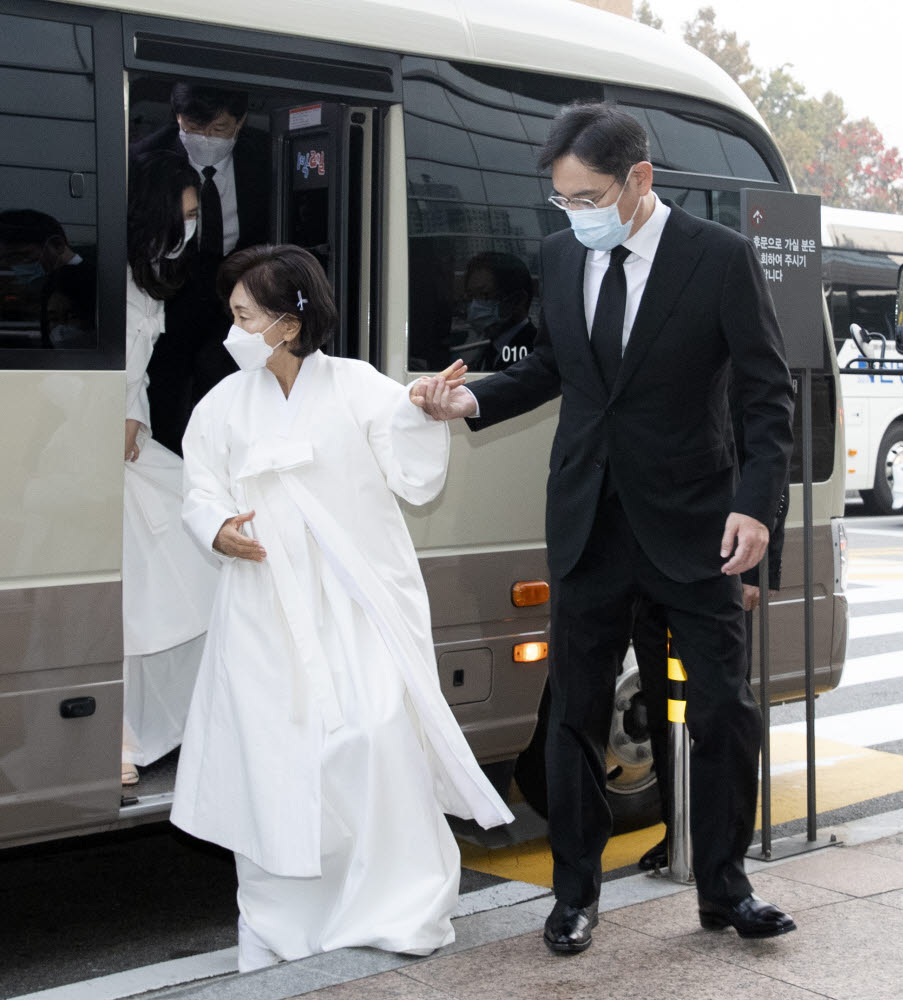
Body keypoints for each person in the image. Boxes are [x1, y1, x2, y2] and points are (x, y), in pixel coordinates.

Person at [412, 102, 796, 950]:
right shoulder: (558, 257)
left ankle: (724, 889)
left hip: (698, 525)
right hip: (588, 519)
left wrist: (756, 507)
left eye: (586, 197)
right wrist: (469, 398)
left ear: (639, 180)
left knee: (723, 712)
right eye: (561, 200)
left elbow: (767, 397)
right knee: (574, 714)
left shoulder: (718, 259)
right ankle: (573, 896)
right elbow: (555, 366)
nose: (573, 214)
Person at [171, 244, 513, 971]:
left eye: (243, 316)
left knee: (374, 738)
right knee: (275, 756)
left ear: (287, 325)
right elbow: (199, 488)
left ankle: (396, 905)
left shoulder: (359, 387)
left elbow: (414, 479)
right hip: (265, 607)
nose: (230, 328)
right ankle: (282, 917)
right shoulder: (222, 403)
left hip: (357, 601)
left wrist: (422, 411)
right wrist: (217, 529)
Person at [633, 474, 789, 872]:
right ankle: (677, 832)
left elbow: (771, 471)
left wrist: (759, 572)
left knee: (721, 714)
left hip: (723, 569)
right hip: (651, 565)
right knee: (661, 710)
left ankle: (722, 852)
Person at [121, 151, 219, 785]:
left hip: (131, 437)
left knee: (161, 580)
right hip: (109, 442)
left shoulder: (147, 274)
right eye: (183, 214)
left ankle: (160, 724)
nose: (189, 228)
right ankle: (121, 732)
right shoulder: (122, 277)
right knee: (138, 590)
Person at [130, 82, 271, 454]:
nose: (206, 138)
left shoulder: (268, 156)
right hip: (169, 292)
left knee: (228, 386)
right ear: (177, 119)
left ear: (240, 124)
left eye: (218, 129)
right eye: (193, 127)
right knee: (166, 389)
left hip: (238, 293)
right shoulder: (144, 160)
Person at [0, 209, 96, 348]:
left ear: (57, 245)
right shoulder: (30, 291)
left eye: (21, 256)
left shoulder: (101, 283)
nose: (14, 267)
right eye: (6, 261)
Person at [455, 252, 537, 372]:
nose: (474, 307)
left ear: (518, 300)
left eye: (485, 295)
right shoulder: (486, 349)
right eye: (471, 297)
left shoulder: (535, 352)